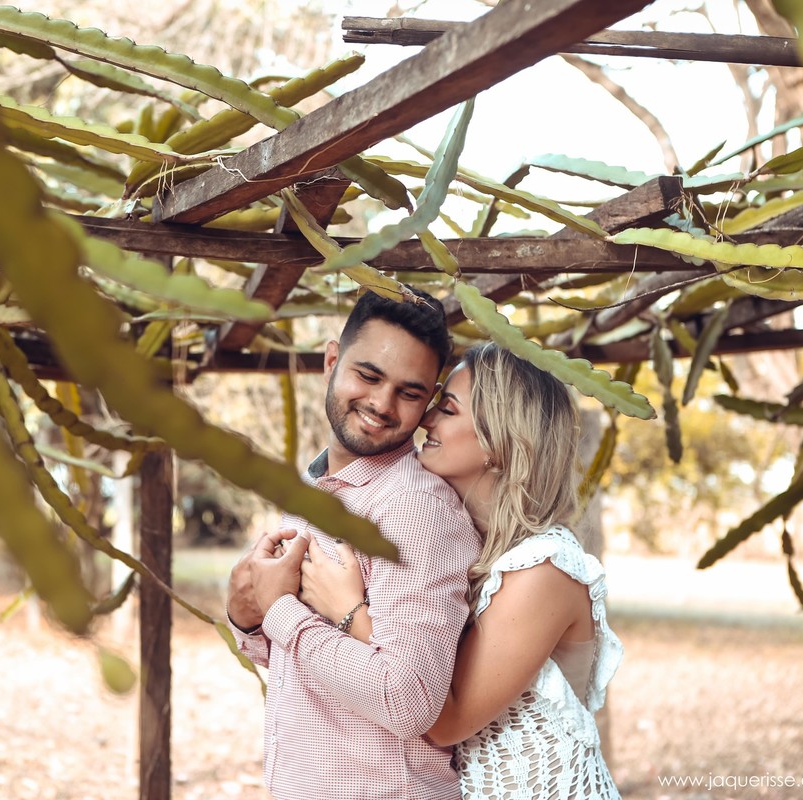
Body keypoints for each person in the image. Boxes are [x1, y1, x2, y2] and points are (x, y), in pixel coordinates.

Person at [301, 342, 624, 799]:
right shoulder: (458, 540)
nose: (426, 420)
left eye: (447, 409)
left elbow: (446, 721)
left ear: (500, 441)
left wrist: (349, 611)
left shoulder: (543, 569)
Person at [225, 288, 483, 800]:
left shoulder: (417, 511)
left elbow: (409, 702)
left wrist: (278, 609)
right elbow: (308, 664)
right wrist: (246, 616)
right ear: (331, 362)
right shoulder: (316, 488)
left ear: (428, 401)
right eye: (368, 376)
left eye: (409, 393)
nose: (382, 405)